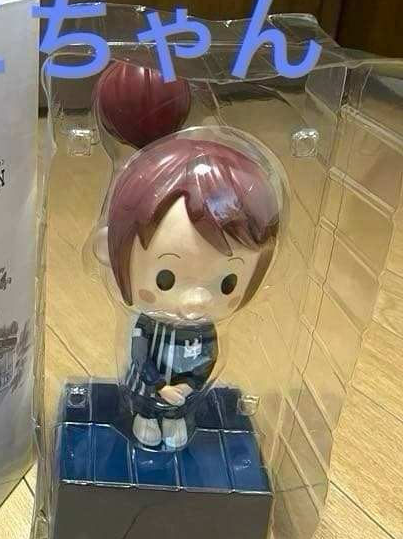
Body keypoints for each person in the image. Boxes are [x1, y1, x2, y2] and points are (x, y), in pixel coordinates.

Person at [103, 135, 279, 449]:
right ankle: (145, 417)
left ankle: (174, 418)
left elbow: (207, 360)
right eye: (166, 279)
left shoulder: (205, 331)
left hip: (183, 393)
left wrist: (187, 386)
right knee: (145, 402)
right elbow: (140, 355)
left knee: (178, 409)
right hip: (148, 387)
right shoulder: (148, 324)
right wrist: (159, 385)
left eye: (226, 283)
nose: (195, 300)